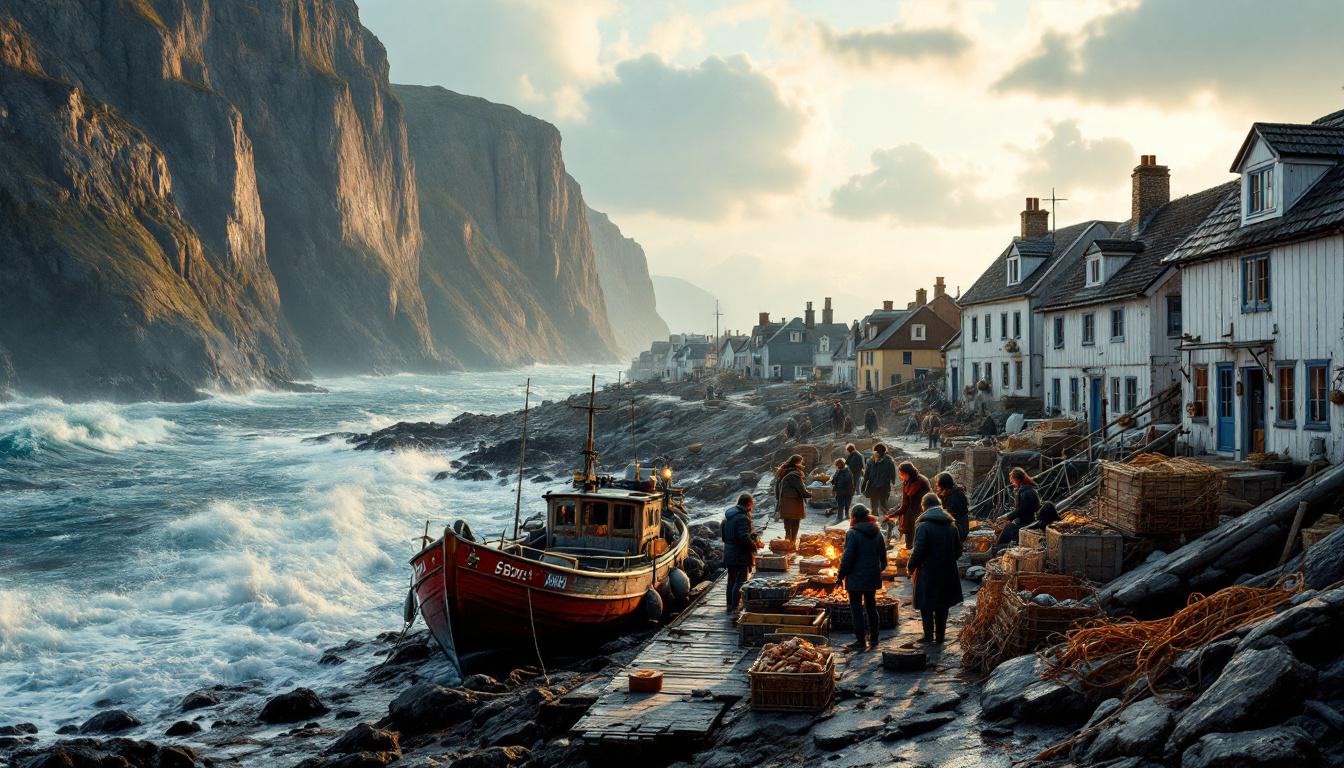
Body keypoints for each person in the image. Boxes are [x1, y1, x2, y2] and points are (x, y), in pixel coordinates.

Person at [907, 492, 964, 643]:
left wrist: (910, 566)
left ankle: (928, 636)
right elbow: (959, 551)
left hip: (928, 572)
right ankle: (940, 636)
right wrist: (947, 560)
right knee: (942, 605)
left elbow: (918, 551)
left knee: (926, 605)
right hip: (947, 571)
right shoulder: (951, 526)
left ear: (924, 507)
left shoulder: (923, 526)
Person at [836, 504, 887, 651]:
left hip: (856, 578)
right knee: (871, 606)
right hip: (872, 576)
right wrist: (879, 569)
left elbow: (847, 558)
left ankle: (860, 641)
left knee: (856, 609)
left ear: (854, 518)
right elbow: (883, 556)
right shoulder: (877, 532)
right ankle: (874, 638)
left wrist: (841, 576)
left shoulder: (852, 533)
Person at [722, 493, 762, 612]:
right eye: (752, 505)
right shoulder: (742, 517)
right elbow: (743, 537)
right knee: (740, 580)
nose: (752, 508)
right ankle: (735, 606)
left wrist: (752, 535)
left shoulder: (728, 516)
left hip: (729, 551)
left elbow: (724, 536)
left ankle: (729, 605)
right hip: (739, 554)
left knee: (731, 580)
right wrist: (754, 546)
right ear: (749, 504)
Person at [995, 467, 1041, 551]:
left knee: (1003, 536)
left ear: (1017, 479)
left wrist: (1006, 518)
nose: (1012, 483)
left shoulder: (1023, 492)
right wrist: (1009, 518)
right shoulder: (1031, 490)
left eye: (1012, 480)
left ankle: (1000, 550)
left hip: (1025, 523)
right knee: (1007, 527)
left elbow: (1020, 510)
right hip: (1031, 521)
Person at [890, 462, 931, 549]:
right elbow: (905, 503)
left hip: (921, 512)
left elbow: (926, 500)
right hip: (910, 514)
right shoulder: (906, 482)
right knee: (908, 536)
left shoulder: (922, 481)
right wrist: (894, 514)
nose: (900, 476)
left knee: (918, 537)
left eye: (901, 474)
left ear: (907, 473)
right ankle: (909, 550)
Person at [861, 443, 896, 530]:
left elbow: (892, 474)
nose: (875, 453)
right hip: (874, 487)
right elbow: (867, 475)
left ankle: (887, 524)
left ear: (882, 452)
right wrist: (864, 485)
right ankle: (874, 525)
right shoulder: (871, 461)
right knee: (874, 506)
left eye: (877, 451)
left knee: (883, 506)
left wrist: (893, 482)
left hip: (883, 487)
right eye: (875, 451)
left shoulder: (888, 461)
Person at [776, 455, 810, 542]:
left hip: (784, 500)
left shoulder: (783, 470)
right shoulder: (794, 474)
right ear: (797, 463)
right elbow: (801, 490)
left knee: (787, 522)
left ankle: (787, 540)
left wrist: (779, 499)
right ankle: (792, 542)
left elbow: (777, 487)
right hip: (793, 501)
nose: (802, 465)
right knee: (795, 522)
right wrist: (813, 495)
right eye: (801, 463)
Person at [933, 471, 970, 542]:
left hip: (958, 529)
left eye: (938, 485)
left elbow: (950, 515)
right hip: (953, 528)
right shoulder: (947, 493)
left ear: (944, 486)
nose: (937, 486)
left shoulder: (956, 496)